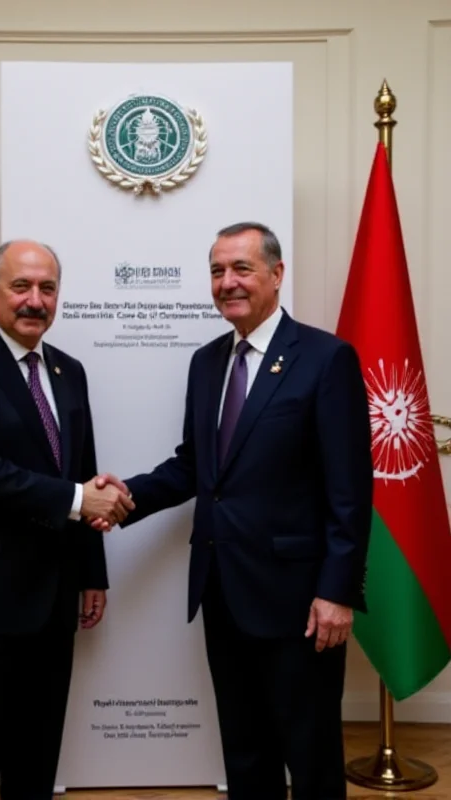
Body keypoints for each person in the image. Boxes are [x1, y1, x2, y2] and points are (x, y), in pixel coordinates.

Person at [95, 222, 373, 799]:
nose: (228, 283)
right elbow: (196, 468)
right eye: (218, 271)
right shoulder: (206, 362)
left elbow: (350, 489)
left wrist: (338, 591)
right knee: (245, 750)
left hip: (301, 601)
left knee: (311, 750)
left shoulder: (325, 358)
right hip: (223, 589)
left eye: (241, 269)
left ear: (276, 274)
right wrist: (126, 499)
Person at [0, 240, 134, 800]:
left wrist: (92, 573)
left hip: (53, 598)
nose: (34, 301)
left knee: (36, 759)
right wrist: (75, 499)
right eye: (21, 287)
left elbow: (82, 473)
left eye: (47, 288)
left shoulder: (69, 371)